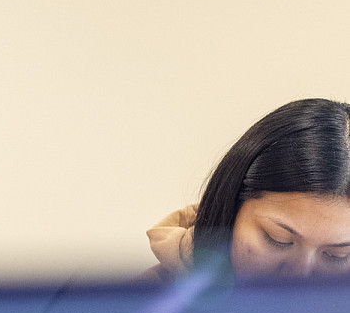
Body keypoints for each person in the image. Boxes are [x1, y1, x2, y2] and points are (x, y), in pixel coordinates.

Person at [147, 98, 350, 279]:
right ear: (231, 209)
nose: (299, 276)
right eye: (278, 240)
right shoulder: (145, 303)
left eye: (337, 256)